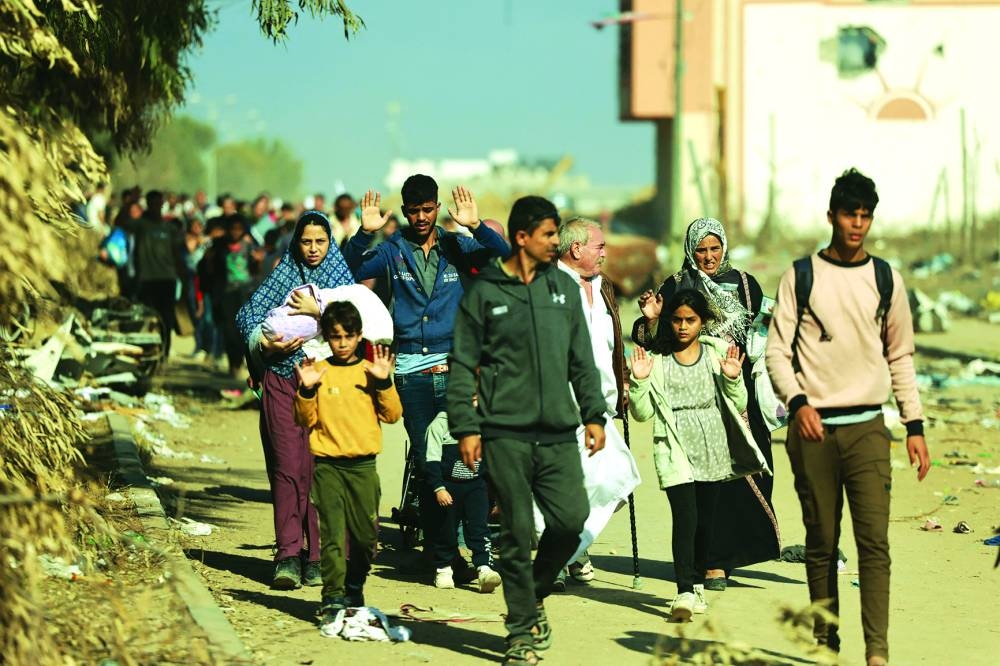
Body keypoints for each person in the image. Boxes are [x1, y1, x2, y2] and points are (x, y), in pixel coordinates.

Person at [765, 168, 930, 666]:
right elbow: (776, 351)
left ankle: (876, 652)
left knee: (873, 543)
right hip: (812, 429)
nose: (857, 224)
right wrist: (797, 403)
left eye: (865, 216)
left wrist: (915, 425)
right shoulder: (801, 275)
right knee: (822, 541)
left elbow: (901, 355)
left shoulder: (886, 279)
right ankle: (825, 641)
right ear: (831, 216)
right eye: (848, 214)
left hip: (867, 428)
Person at [447, 195, 606, 666]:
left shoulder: (562, 289)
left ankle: (532, 593)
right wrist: (466, 426)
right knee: (516, 531)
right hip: (505, 433)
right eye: (550, 235)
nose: (557, 243)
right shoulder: (486, 292)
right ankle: (520, 632)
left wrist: (594, 413)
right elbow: (462, 364)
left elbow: (582, 358)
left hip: (558, 430)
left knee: (571, 521)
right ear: (522, 238)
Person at [342, 175, 509, 544]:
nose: (421, 218)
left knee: (460, 459)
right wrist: (364, 234)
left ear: (437, 208)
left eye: (427, 209)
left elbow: (505, 257)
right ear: (404, 211)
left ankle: (461, 547)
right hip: (410, 372)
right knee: (428, 462)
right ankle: (440, 553)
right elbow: (345, 270)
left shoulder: (456, 246)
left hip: (454, 368)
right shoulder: (392, 248)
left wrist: (476, 225)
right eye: (414, 211)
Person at [633, 217, 780, 590]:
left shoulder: (746, 285)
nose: (709, 256)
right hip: (693, 396)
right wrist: (650, 321)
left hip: (737, 390)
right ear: (690, 250)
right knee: (704, 483)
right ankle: (711, 563)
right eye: (701, 249)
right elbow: (652, 338)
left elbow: (764, 329)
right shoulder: (676, 286)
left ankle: (730, 554)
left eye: (715, 249)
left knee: (753, 473)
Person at [629, 289, 769, 622]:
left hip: (713, 446)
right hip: (675, 448)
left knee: (706, 523)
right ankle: (683, 591)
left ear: (701, 322)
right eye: (676, 320)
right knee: (686, 519)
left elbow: (737, 403)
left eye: (690, 320)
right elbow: (643, 413)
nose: (682, 327)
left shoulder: (716, 354)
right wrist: (639, 381)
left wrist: (734, 379)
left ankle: (699, 584)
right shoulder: (658, 360)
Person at [236, 210, 355, 590]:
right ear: (296, 243)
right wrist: (264, 343)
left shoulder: (341, 281)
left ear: (330, 242)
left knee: (320, 469)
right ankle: (288, 554)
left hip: (327, 385)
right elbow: (247, 318)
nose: (314, 249)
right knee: (288, 468)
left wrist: (319, 311)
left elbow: (359, 326)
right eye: (306, 241)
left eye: (321, 241)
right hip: (282, 380)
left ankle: (317, 556)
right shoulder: (283, 275)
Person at [292, 301, 402, 632]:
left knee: (367, 537)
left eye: (348, 336)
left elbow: (393, 415)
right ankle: (333, 598)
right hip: (328, 467)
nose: (342, 342)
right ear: (326, 336)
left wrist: (383, 382)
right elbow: (304, 419)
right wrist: (307, 389)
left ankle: (354, 588)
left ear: (358, 337)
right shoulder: (319, 371)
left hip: (363, 467)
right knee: (333, 537)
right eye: (335, 336)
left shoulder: (369, 371)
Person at [549, 217, 641, 590]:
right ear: (576, 249)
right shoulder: (549, 286)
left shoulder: (603, 289)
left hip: (600, 406)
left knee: (620, 477)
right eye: (599, 246)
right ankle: (558, 557)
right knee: (565, 487)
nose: (605, 253)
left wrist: (622, 379)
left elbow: (611, 342)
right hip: (561, 404)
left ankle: (571, 548)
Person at [424, 411, 502, 593]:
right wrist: (438, 487)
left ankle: (483, 568)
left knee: (479, 526)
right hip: (449, 486)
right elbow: (431, 459)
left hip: (477, 485)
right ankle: (443, 568)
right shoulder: (440, 424)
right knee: (447, 528)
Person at [117, 190, 183, 358]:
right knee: (148, 317)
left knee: (166, 319)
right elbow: (119, 222)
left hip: (167, 279)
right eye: (152, 203)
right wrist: (129, 202)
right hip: (147, 280)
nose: (155, 206)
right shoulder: (141, 225)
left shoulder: (169, 228)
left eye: (158, 203)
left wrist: (182, 277)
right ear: (148, 204)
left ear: (162, 204)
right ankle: (149, 353)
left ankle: (164, 353)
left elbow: (176, 255)